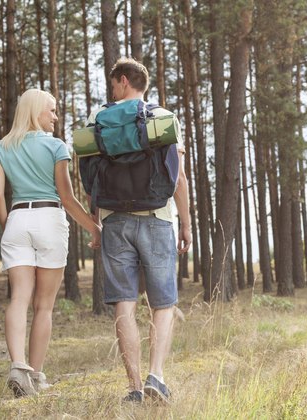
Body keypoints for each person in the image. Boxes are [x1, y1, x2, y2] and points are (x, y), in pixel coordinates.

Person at [81, 58, 191, 403]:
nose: (111, 91)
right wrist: (186, 222)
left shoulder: (96, 120)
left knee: (124, 304)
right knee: (163, 303)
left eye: (114, 84)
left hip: (114, 220)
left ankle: (132, 388)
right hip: (158, 217)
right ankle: (155, 376)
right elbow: (179, 177)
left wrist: (96, 222)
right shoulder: (163, 118)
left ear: (124, 81)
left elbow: (89, 180)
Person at [0, 89, 102, 397]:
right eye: (51, 111)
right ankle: (36, 377)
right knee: (44, 306)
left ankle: (18, 366)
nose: (55, 116)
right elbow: (66, 198)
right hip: (49, 219)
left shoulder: (1, 148)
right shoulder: (56, 146)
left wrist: (9, 223)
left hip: (16, 220)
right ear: (36, 111)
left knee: (19, 300)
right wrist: (94, 228)